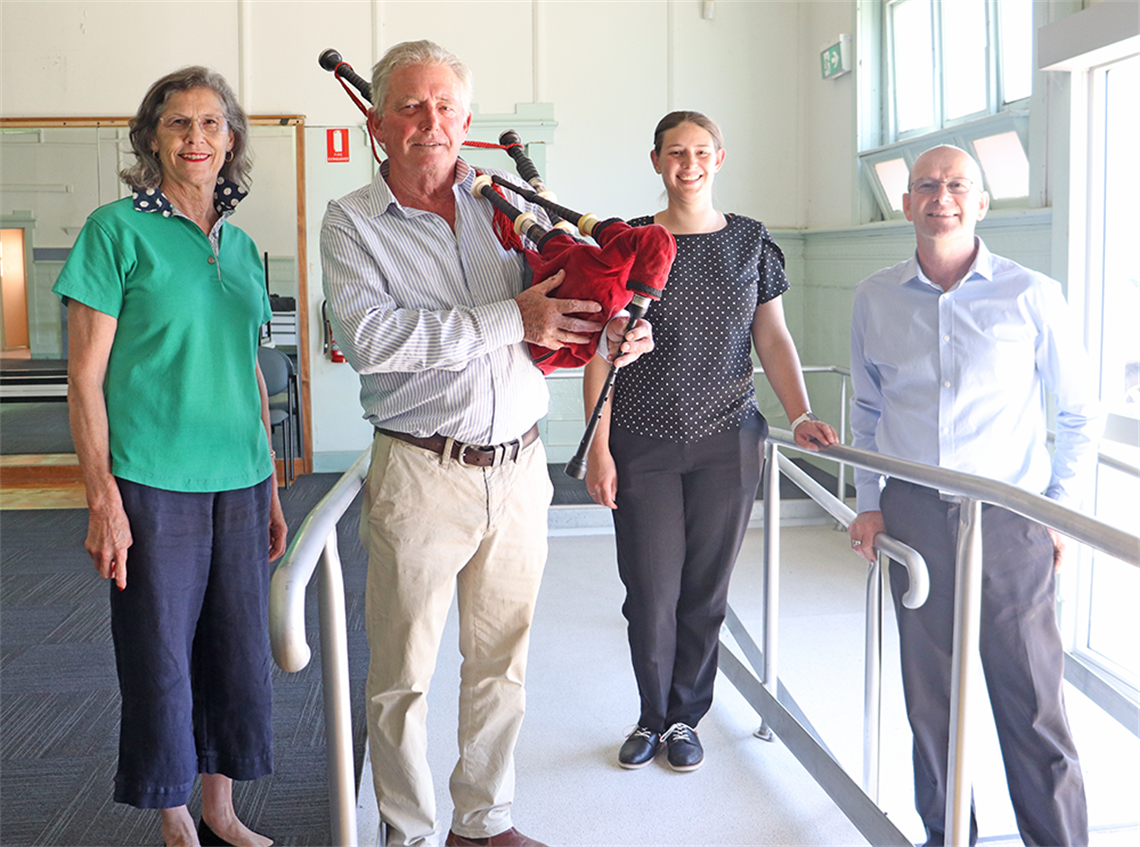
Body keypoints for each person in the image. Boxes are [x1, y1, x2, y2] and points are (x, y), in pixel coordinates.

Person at [320, 41, 652, 847]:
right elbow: (374, 339)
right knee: (403, 674)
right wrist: (517, 319)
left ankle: (483, 821)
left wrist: (612, 331)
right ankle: (406, 828)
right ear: (378, 121)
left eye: (445, 107)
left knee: (501, 661)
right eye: (410, 105)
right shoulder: (352, 222)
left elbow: (566, 295)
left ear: (465, 121)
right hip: (420, 470)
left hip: (519, 468)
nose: (430, 122)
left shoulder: (501, 206)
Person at [53, 67, 286, 847]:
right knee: (160, 653)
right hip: (152, 481)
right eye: (179, 123)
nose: (196, 138)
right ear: (152, 137)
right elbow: (84, 377)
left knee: (238, 649)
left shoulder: (245, 245)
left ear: (231, 140)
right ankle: (173, 811)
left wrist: (274, 486)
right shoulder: (114, 231)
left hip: (242, 480)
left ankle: (220, 805)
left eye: (212, 124)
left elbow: (248, 370)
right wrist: (103, 497)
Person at [847, 144, 1102, 847]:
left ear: (982, 202)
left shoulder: (1031, 294)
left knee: (1031, 698)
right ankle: (946, 833)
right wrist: (869, 499)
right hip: (913, 516)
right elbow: (865, 413)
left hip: (1011, 519)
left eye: (958, 184)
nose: (942, 196)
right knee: (930, 699)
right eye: (926, 185)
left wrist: (1059, 510)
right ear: (906, 203)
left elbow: (1079, 412)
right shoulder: (874, 296)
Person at [582, 111, 838, 772]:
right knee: (650, 589)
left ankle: (685, 718)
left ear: (720, 157)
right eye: (675, 152)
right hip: (644, 439)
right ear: (655, 160)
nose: (688, 164)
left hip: (728, 439)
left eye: (700, 151)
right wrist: (599, 448)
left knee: (705, 590)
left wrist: (801, 411)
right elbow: (598, 354)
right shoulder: (630, 241)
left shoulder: (751, 242)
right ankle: (650, 713)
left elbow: (773, 339)